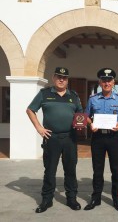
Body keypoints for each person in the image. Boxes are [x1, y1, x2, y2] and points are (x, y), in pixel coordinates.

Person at [26, 67, 82, 213]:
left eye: (64, 77)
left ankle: (71, 198)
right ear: (53, 78)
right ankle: (46, 200)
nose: (61, 79)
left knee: (70, 170)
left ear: (67, 80)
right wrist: (39, 127)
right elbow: (30, 110)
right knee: (50, 170)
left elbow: (80, 113)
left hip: (70, 137)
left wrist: (81, 124)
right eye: (58, 76)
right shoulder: (44, 94)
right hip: (52, 138)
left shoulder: (74, 96)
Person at [84, 68, 118, 212]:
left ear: (114, 82)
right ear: (100, 82)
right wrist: (91, 124)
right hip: (98, 137)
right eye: (104, 80)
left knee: (115, 170)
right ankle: (96, 198)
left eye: (109, 80)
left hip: (114, 138)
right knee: (97, 169)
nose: (107, 83)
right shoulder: (93, 99)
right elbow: (86, 115)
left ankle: (116, 199)